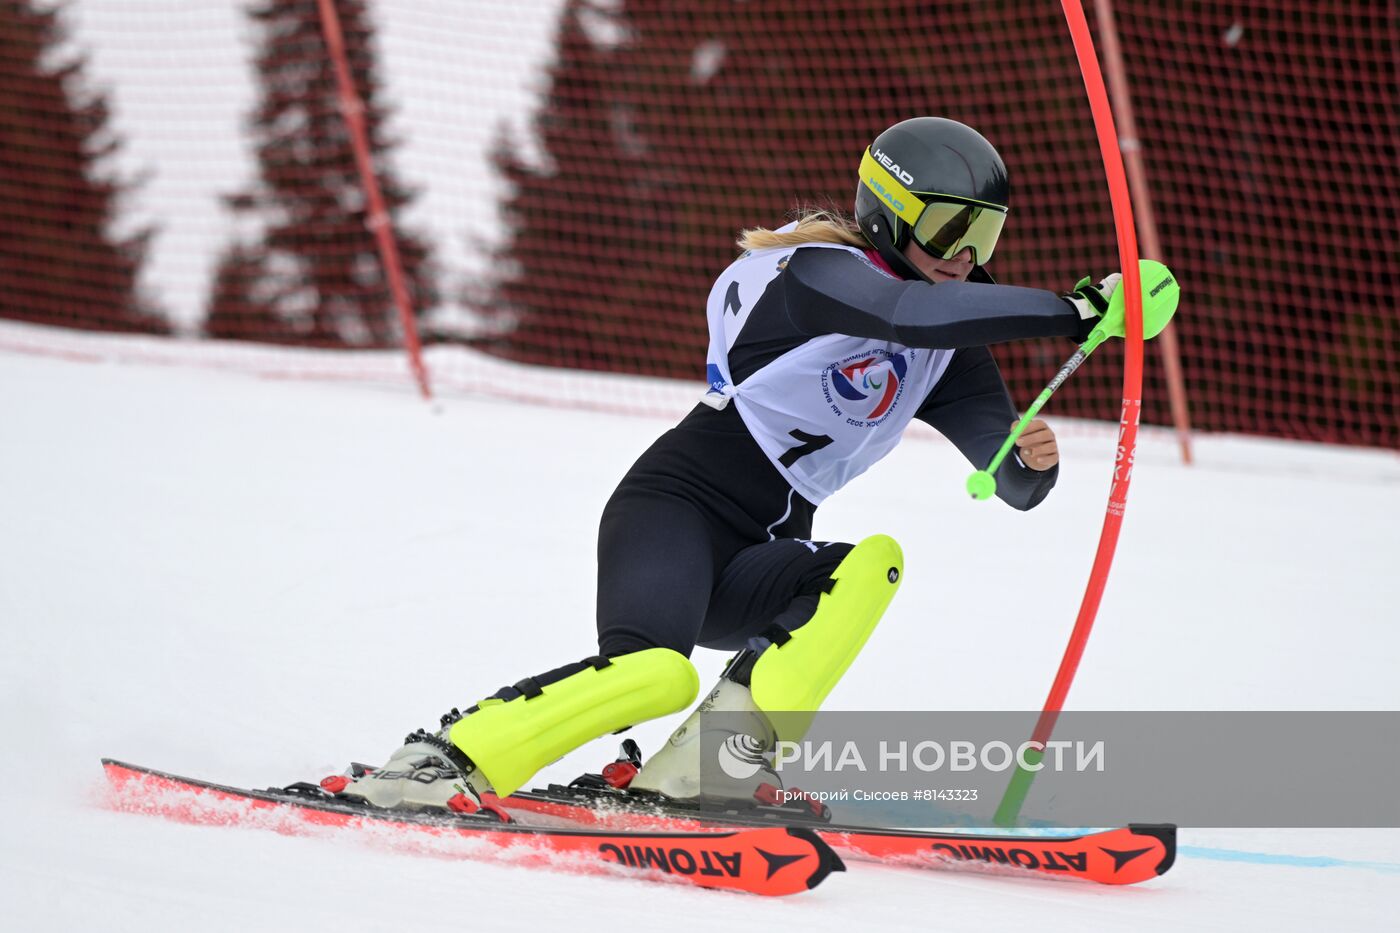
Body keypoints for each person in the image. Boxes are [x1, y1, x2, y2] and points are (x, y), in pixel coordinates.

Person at [338, 117, 1124, 811]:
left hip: (758, 556)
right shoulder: (820, 273)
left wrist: (1031, 460)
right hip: (673, 511)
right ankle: (441, 760)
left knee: (871, 565)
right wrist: (1077, 311)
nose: (966, 257)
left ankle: (711, 768)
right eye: (951, 229)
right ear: (888, 213)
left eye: (984, 236)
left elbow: (1014, 483)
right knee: (656, 675)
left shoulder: (948, 352)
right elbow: (902, 312)